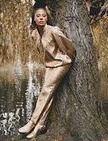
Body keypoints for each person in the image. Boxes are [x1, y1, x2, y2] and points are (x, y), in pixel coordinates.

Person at [18, 1, 75, 139]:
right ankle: (40, 126)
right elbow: (41, 51)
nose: (41, 18)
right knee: (49, 94)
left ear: (47, 17)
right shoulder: (34, 34)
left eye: (44, 15)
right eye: (38, 16)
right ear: (34, 18)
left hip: (62, 63)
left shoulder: (54, 31)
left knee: (45, 91)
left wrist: (66, 58)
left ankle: (32, 122)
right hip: (50, 65)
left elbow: (70, 48)